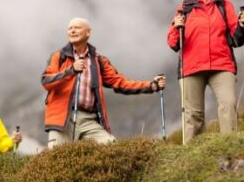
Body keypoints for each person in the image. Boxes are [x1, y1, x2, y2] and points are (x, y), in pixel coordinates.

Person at [41, 17, 167, 148]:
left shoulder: (98, 61)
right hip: (63, 120)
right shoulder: (58, 57)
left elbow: (120, 82)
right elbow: (46, 81)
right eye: (70, 28)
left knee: (112, 147)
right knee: (58, 160)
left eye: (77, 28)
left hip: (89, 119)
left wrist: (151, 85)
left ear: (88, 32)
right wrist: (71, 71)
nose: (72, 31)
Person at [168, 0, 244, 143]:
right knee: (193, 115)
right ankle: (190, 158)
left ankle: (231, 146)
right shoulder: (184, 8)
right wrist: (176, 26)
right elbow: (173, 43)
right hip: (191, 68)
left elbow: (237, 40)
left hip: (222, 65)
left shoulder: (224, 5)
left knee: (228, 104)